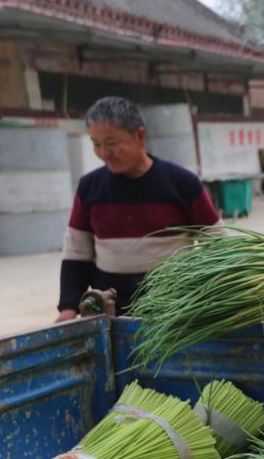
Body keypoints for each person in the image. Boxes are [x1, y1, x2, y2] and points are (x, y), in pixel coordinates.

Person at [56, 97, 222, 322]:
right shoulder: (89, 187)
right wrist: (68, 307)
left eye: (111, 142)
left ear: (140, 136)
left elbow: (218, 242)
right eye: (96, 144)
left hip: (173, 312)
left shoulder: (183, 183)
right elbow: (76, 252)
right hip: (110, 314)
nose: (104, 152)